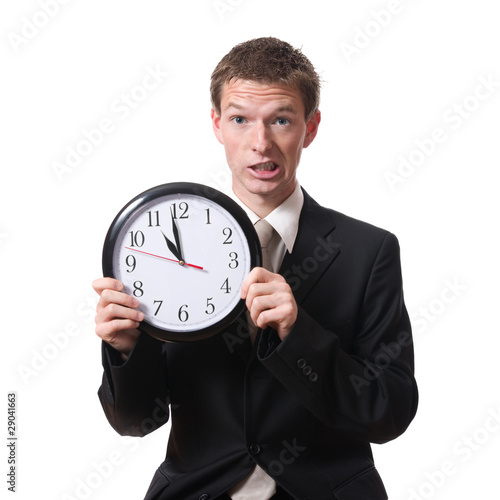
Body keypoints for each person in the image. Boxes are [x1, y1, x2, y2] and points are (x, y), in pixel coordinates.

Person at [93, 37, 418, 500]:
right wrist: (125, 351)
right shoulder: (154, 247)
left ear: (310, 127)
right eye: (240, 119)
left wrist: (297, 333)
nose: (260, 143)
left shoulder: (369, 251)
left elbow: (390, 412)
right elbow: (135, 422)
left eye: (280, 120)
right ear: (217, 124)